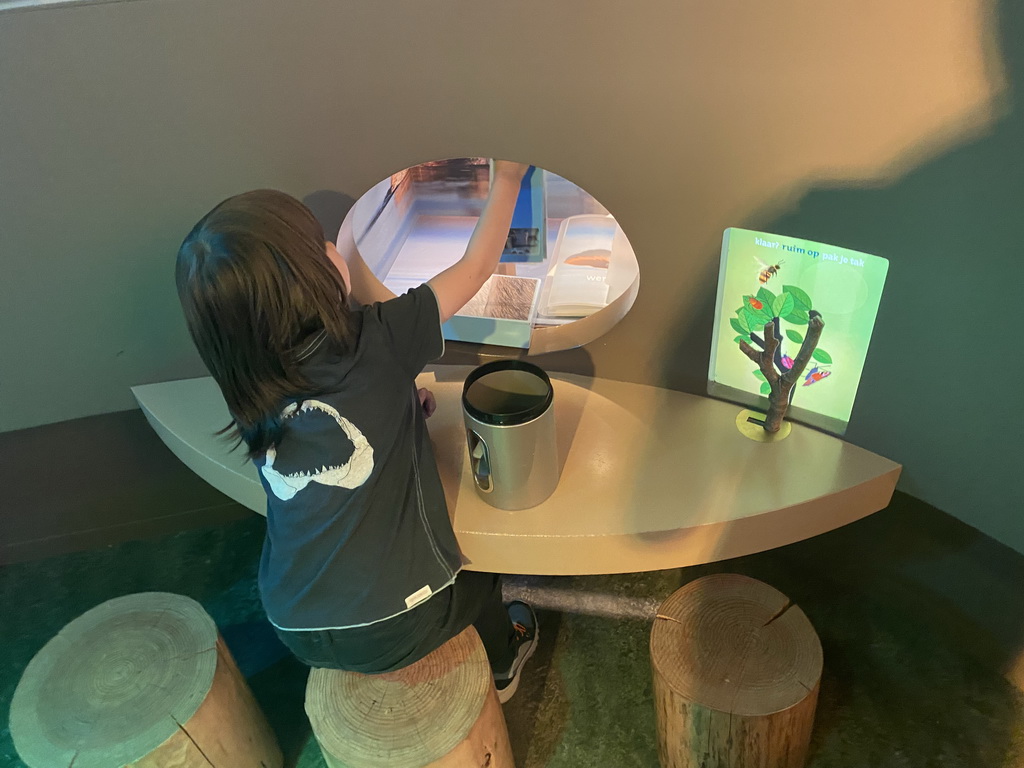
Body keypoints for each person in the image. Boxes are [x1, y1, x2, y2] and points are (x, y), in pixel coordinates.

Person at [175, 160, 538, 702]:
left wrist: (395, 406)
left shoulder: (245, 379)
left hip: (290, 619)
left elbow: (324, 417)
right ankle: (505, 662)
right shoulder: (380, 337)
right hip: (393, 624)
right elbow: (478, 262)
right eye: (321, 245)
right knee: (482, 578)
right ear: (317, 280)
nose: (332, 246)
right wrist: (507, 177)